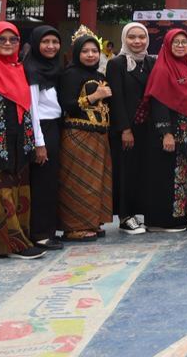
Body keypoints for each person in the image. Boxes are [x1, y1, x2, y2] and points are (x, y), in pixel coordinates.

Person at [56, 30, 113, 242]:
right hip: (78, 135)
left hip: (99, 136)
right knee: (78, 182)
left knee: (96, 182)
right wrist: (94, 96)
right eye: (85, 51)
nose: (90, 55)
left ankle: (91, 222)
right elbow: (67, 104)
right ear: (77, 53)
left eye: (94, 51)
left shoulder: (100, 76)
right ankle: (74, 228)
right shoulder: (70, 74)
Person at [0, 22, 43, 259]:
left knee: (17, 188)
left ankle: (17, 238)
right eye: (1, 39)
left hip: (19, 139)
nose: (8, 43)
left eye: (13, 39)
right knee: (0, 190)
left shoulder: (20, 69)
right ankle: (14, 244)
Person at [142, 29, 187, 233]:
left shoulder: (184, 67)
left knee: (178, 174)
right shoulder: (162, 69)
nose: (181, 46)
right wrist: (166, 133)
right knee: (163, 175)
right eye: (176, 42)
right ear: (167, 45)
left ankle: (177, 218)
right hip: (167, 133)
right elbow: (158, 103)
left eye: (184, 42)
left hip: (182, 131)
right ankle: (161, 221)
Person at [106, 22, 154, 235]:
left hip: (147, 127)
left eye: (141, 37)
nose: (137, 41)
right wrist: (125, 129)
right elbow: (115, 98)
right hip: (126, 128)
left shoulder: (151, 62)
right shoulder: (117, 63)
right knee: (125, 172)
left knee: (142, 171)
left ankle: (139, 213)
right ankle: (125, 217)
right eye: (132, 37)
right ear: (124, 39)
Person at [24, 26, 64, 250]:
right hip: (42, 129)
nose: (51, 46)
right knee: (42, 183)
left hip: (53, 127)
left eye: (55, 42)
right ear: (36, 43)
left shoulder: (53, 67)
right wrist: (39, 143)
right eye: (45, 42)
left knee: (50, 182)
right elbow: (33, 109)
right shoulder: (32, 69)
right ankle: (39, 233)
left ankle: (48, 230)